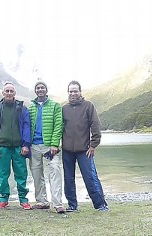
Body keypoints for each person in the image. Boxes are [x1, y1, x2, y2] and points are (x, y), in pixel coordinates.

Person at [62, 80, 109, 212]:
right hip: (67, 150)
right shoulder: (64, 109)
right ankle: (72, 205)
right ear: (68, 93)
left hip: (84, 150)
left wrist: (93, 145)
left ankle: (100, 204)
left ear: (80, 92)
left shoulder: (88, 106)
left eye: (75, 91)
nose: (73, 94)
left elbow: (96, 126)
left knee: (90, 177)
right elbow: (59, 128)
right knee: (68, 178)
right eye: (70, 91)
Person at [0, 82, 32, 210]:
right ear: (3, 93)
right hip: (3, 147)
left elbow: (27, 126)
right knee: (2, 174)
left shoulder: (22, 109)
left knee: (21, 174)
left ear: (15, 93)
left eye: (11, 91)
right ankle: (3, 199)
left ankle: (23, 199)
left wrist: (26, 145)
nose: (9, 93)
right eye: (6, 91)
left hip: (19, 147)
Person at [28, 80, 65, 214]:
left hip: (50, 146)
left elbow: (59, 125)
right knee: (37, 174)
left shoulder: (55, 106)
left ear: (46, 90)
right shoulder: (30, 107)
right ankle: (42, 202)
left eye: (42, 88)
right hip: (34, 146)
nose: (40, 90)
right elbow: (27, 127)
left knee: (55, 171)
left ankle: (58, 204)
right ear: (35, 91)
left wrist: (55, 144)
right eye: (38, 88)